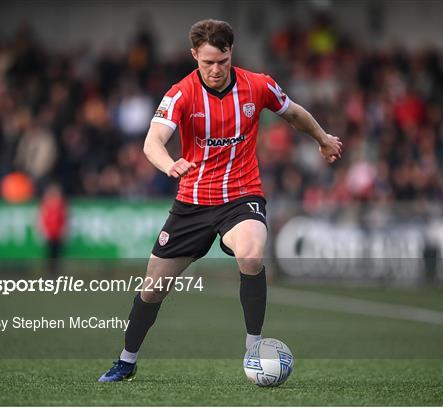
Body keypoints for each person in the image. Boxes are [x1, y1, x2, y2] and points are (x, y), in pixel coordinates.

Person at [98, 19, 342, 382]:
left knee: (251, 253)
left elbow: (292, 113)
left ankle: (254, 347)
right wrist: (169, 164)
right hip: (192, 203)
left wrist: (322, 138)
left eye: (222, 61)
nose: (215, 69)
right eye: (208, 62)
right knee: (152, 289)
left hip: (241, 196)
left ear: (231, 53)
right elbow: (152, 142)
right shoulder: (180, 94)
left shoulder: (258, 85)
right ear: (194, 55)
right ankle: (126, 360)